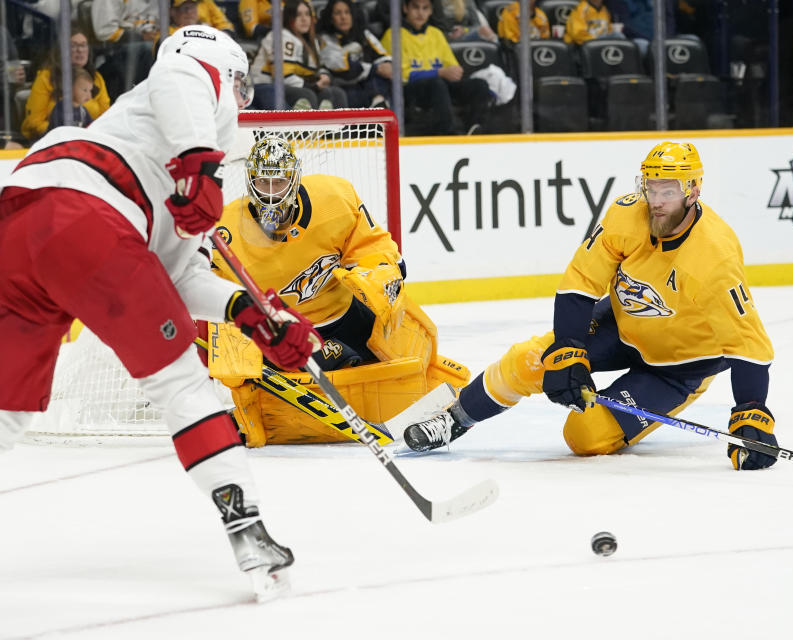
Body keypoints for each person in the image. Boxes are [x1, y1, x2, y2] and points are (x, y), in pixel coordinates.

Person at [0, 25, 318, 599]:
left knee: (6, 404)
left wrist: (250, 312)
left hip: (17, 228)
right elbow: (180, 75)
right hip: (89, 218)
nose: (241, 103)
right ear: (230, 71)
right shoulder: (189, 82)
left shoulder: (141, 141)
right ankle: (245, 524)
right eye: (241, 88)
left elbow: (177, 276)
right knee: (181, 380)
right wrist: (201, 164)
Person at [403, 142, 778, 473]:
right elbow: (580, 282)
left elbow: (747, 344)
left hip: (679, 367)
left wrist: (751, 410)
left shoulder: (714, 257)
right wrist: (569, 347)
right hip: (621, 326)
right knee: (527, 360)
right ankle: (454, 419)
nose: (656, 200)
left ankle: (622, 406)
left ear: (693, 190)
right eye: (650, 187)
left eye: (669, 190)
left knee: (585, 436)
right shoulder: (625, 214)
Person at [208, 135, 469, 446]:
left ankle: (434, 405)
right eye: (263, 183)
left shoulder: (334, 198)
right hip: (282, 335)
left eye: (279, 182)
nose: (271, 193)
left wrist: (380, 275)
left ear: (295, 178)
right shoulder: (224, 230)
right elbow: (212, 293)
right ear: (249, 181)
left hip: (345, 316)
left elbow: (375, 249)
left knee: (408, 356)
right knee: (270, 384)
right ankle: (257, 412)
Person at [382, 0, 492, 135]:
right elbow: (401, 75)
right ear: (405, 8)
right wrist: (438, 72)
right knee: (437, 83)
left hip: (439, 85)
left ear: (431, 11)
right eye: (415, 7)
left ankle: (475, 129)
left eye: (425, 8)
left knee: (479, 85)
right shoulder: (393, 35)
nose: (420, 13)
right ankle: (448, 132)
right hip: (411, 90)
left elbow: (452, 66)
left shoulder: (436, 33)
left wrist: (455, 72)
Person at [249, 0, 348, 110]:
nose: (304, 19)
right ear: (289, 18)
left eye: (307, 14)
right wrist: (312, 86)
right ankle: (310, 127)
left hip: (290, 86)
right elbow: (283, 76)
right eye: (298, 15)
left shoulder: (312, 41)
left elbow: (317, 68)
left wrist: (324, 76)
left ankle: (336, 127)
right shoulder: (281, 36)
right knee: (307, 95)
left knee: (337, 93)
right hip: (264, 87)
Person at [21, 28, 111, 142]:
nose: (80, 50)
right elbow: (34, 122)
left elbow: (106, 117)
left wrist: (87, 134)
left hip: (88, 139)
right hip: (52, 140)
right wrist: (65, 133)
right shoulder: (46, 77)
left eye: (83, 45)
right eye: (73, 46)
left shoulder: (96, 78)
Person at [317, 0, 393, 109]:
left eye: (347, 12)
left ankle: (378, 102)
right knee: (374, 80)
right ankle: (379, 106)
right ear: (330, 18)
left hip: (367, 84)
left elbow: (382, 54)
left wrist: (387, 64)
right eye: (338, 13)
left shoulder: (363, 33)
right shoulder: (325, 39)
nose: (343, 17)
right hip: (344, 86)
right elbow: (344, 68)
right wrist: (374, 69)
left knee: (386, 77)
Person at [91, 0, 159, 99]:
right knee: (148, 49)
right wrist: (140, 37)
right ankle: (144, 99)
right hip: (114, 51)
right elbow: (104, 32)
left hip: (149, 44)